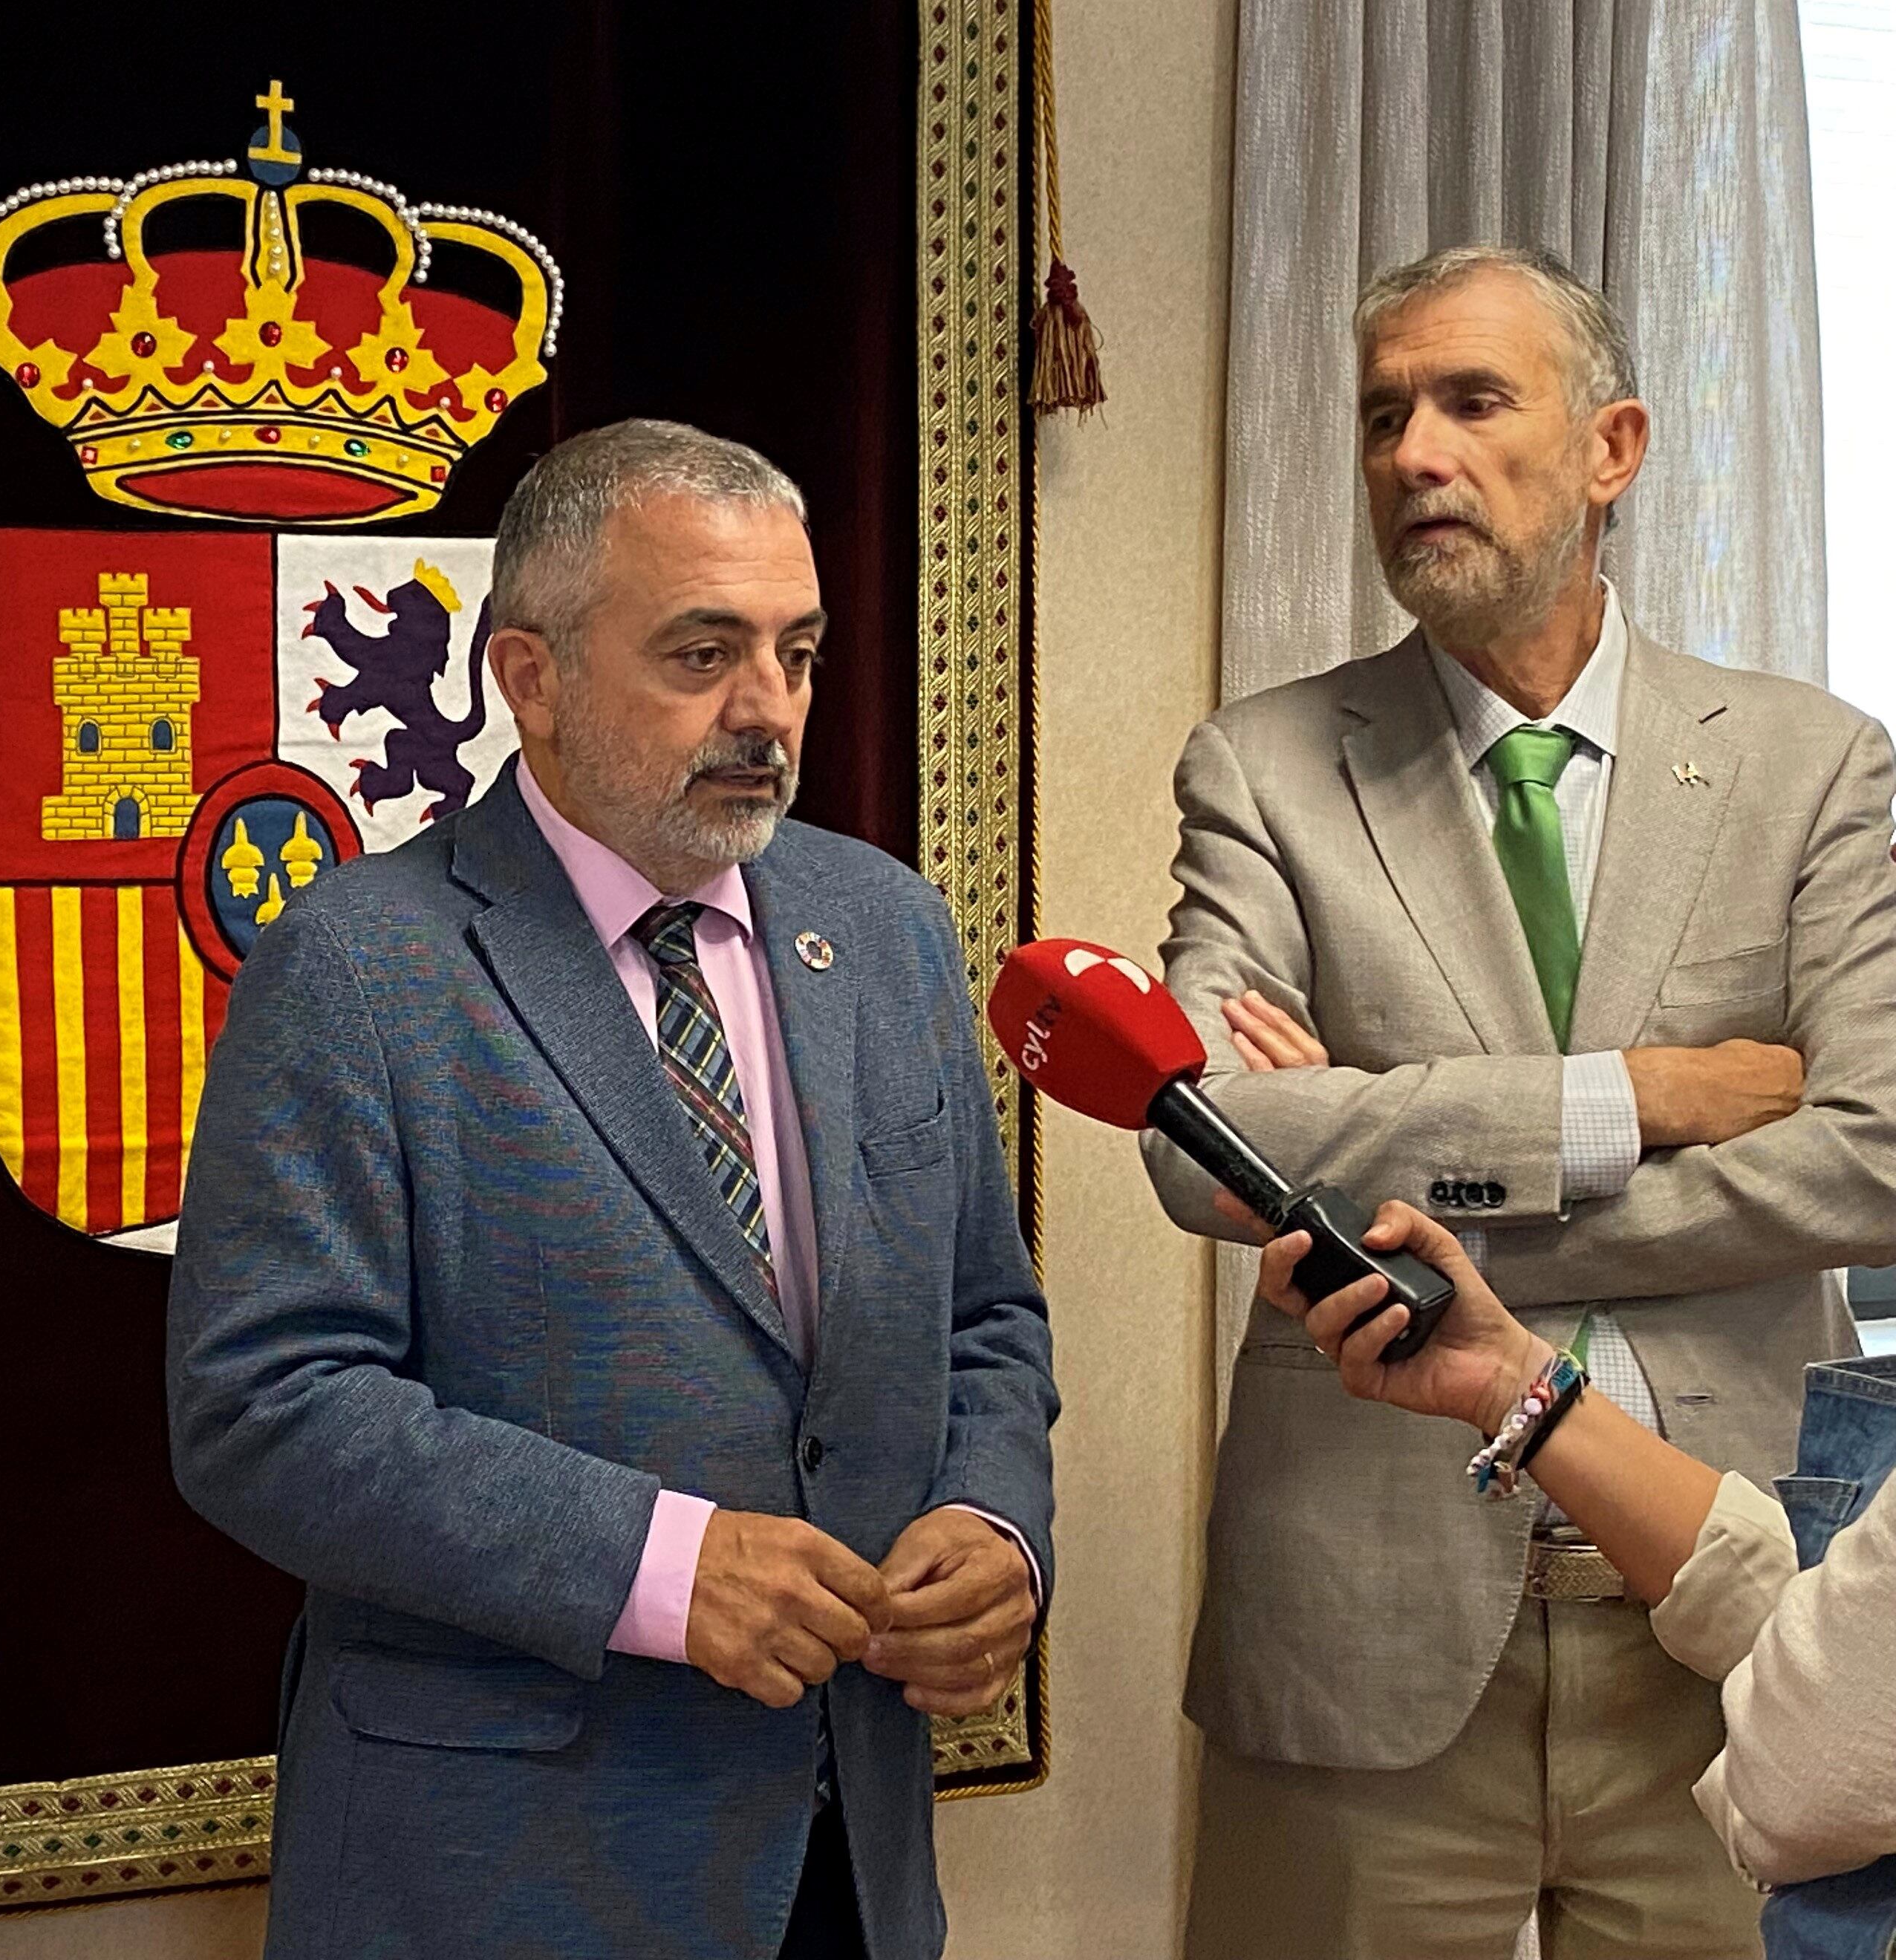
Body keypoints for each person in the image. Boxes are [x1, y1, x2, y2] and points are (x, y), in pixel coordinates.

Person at [166, 419, 1059, 1960]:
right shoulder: (360, 962)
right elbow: (265, 1405)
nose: (766, 711)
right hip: (503, 1872)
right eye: (703, 653)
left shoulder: (889, 926)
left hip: (845, 1848)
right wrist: (657, 1568)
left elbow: (982, 1313)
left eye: (796, 652)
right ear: (531, 676)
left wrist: (993, 1521)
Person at [1141, 242, 1896, 1960]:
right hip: (1362, 1633)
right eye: (1385, 414)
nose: (1416, 452)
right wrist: (1637, 1099)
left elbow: (1878, 1156)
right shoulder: (1264, 765)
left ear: (1612, 447)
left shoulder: (1814, 766)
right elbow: (1201, 1152)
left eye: (1474, 401)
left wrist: (1398, 1182)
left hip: (1741, 1613)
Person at [1250, 1199, 1896, 1952]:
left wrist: (1508, 1218)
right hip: (1382, 1664)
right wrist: (1514, 1379)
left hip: (1711, 1700)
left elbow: (1815, 1775)